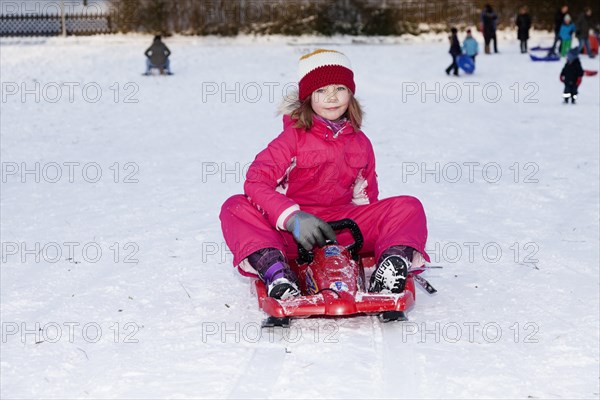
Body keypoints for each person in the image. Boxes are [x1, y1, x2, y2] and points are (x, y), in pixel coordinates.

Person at [219, 49, 430, 299]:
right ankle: (275, 270)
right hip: (290, 234)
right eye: (321, 91)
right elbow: (255, 182)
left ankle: (392, 266)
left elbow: (365, 199)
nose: (331, 97)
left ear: (351, 93)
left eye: (339, 88)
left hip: (340, 230)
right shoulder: (292, 138)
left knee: (409, 207)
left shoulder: (361, 143)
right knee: (235, 207)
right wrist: (291, 218)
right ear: (308, 98)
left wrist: (371, 236)